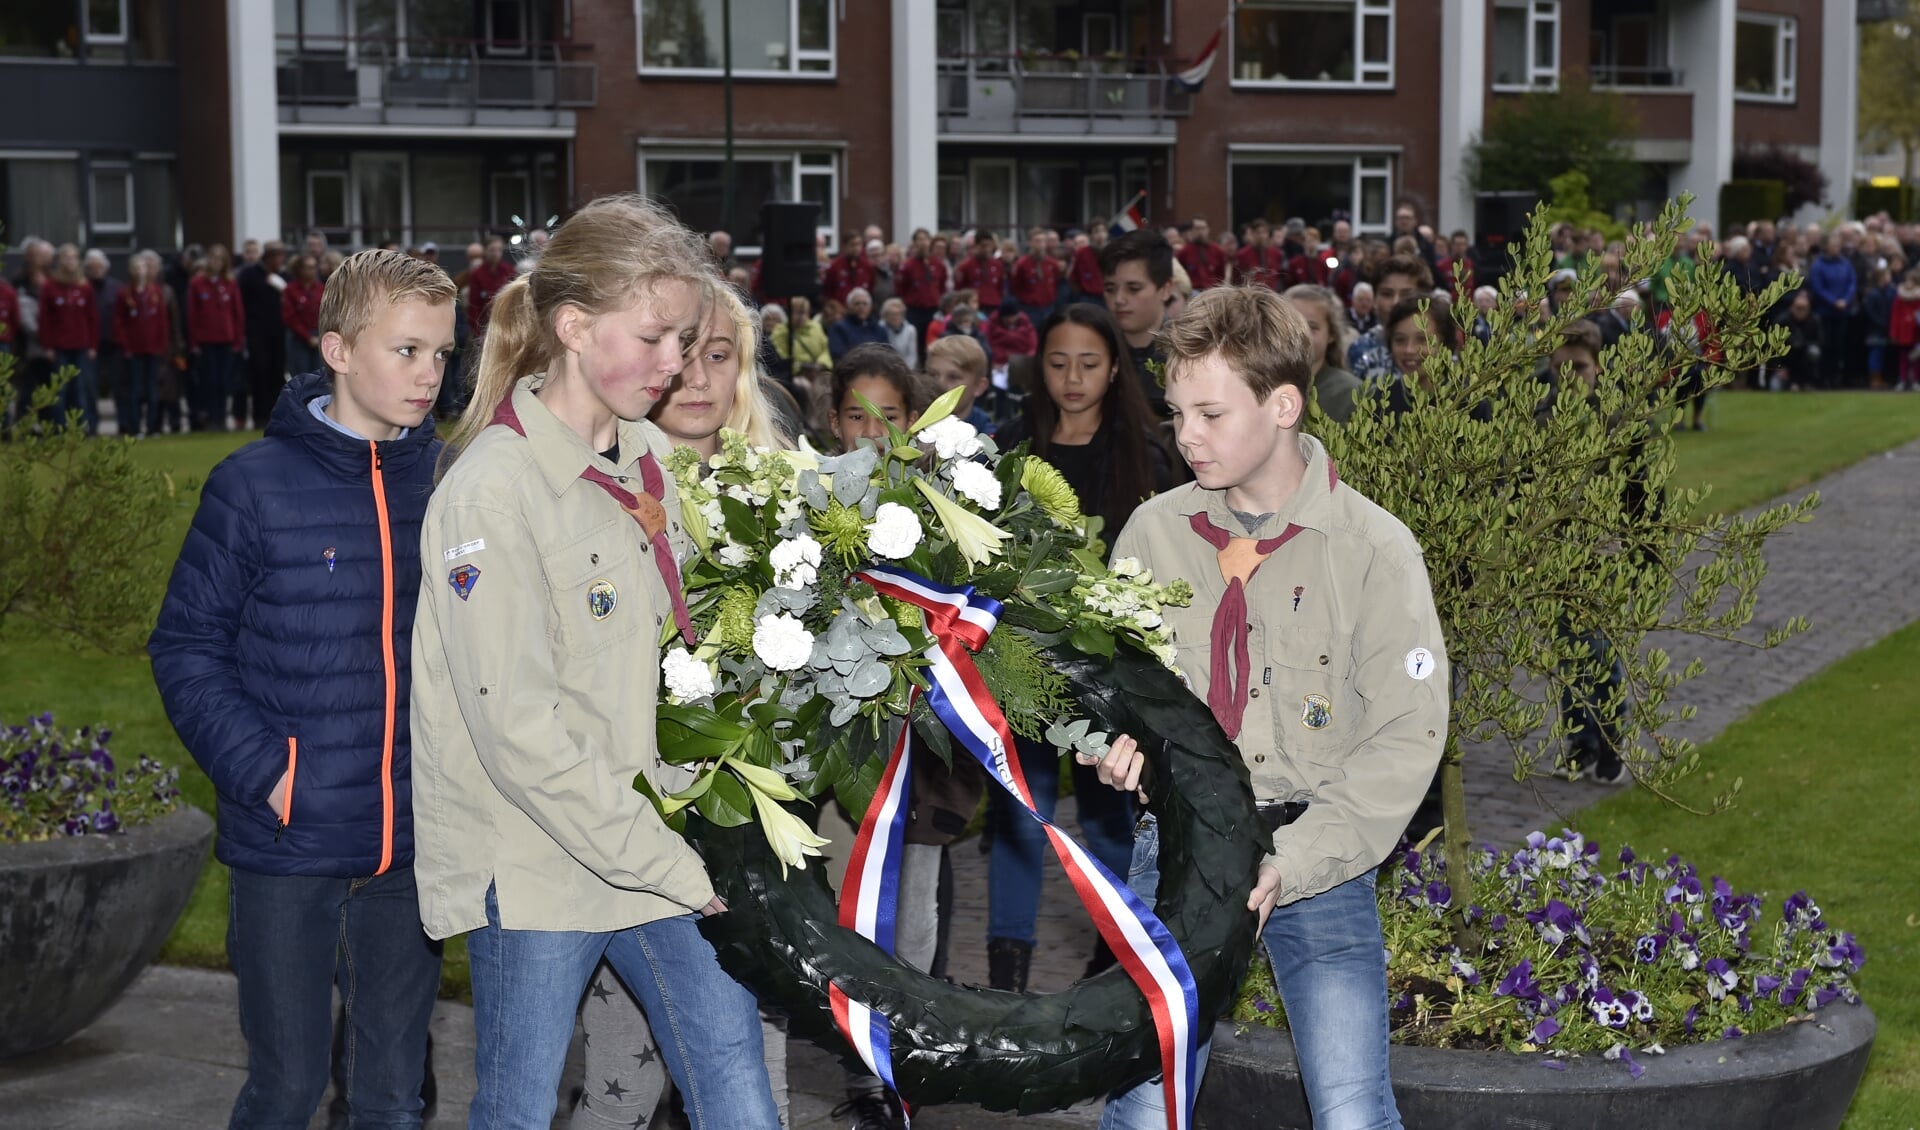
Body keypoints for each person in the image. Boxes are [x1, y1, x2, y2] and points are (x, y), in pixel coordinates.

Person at [411, 196, 780, 1130]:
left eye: (691, 341)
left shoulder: (654, 459)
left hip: (658, 841)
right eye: (656, 337)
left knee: (740, 1092)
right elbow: (518, 735)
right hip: (540, 867)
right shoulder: (491, 493)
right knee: (519, 1109)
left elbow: (695, 649)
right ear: (573, 327)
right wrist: (670, 861)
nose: (678, 366)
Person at [1090, 285, 1447, 1130]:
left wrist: (1299, 859)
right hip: (1176, 851)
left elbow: (1405, 737)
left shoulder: (1373, 550)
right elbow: (1112, 681)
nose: (1187, 437)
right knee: (1146, 1103)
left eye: (1211, 414)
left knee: (1354, 1109)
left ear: (1284, 404)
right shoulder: (1152, 533)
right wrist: (1111, 741)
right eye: (1177, 413)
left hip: (1317, 852)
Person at [149, 249, 456, 1129]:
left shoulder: (447, 485)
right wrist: (267, 772)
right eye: (405, 351)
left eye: (441, 354)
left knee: (393, 1095)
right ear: (337, 348)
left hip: (410, 843)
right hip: (287, 842)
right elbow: (186, 647)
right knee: (284, 1088)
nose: (428, 374)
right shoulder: (251, 487)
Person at [573, 284, 796, 1130]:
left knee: (753, 1069)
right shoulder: (602, 484)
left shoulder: (787, 492)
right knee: (622, 1079)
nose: (697, 379)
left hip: (750, 827)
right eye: (682, 354)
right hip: (632, 827)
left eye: (720, 356)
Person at [986, 304, 1177, 993]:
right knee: (1017, 811)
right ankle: (1006, 978)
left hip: (1104, 666)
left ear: (1116, 367)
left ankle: (1116, 958)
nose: (1072, 377)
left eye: (1089, 363)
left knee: (1109, 812)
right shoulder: (1011, 443)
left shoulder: (1145, 454)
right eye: (1059, 362)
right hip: (1018, 662)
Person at [1546, 321, 1630, 785]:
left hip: (1604, 551)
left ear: (1597, 368)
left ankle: (1612, 741)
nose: (1569, 377)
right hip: (1554, 553)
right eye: (1560, 368)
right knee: (1567, 656)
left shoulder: (1615, 419)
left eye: (1578, 368)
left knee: (1600, 652)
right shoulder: (1541, 416)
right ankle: (1579, 744)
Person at [1099, 230, 1176, 413]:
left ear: (1165, 289)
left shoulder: (1190, 356)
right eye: (1110, 289)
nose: (1119, 299)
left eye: (1133, 289)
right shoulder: (1093, 354)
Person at [41, 244, 100, 432]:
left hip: (81, 346)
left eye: (73, 257)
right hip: (59, 346)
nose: (70, 261)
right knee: (60, 388)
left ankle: (82, 427)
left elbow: (93, 318)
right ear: (59, 261)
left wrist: (92, 345)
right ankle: (59, 427)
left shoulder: (85, 287)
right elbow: (44, 319)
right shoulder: (50, 286)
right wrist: (48, 346)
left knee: (81, 388)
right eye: (66, 257)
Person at [1282, 285, 1363, 424]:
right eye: (1291, 324)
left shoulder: (1350, 392)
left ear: (1331, 334)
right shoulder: (1261, 384)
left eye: (1312, 327)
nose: (1300, 334)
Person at [113, 251, 173, 437]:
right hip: (134, 350)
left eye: (143, 267)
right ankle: (134, 427)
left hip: (153, 349)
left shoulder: (155, 292)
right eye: (137, 267)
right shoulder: (125, 293)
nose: (140, 271)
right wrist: (125, 346)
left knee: (153, 390)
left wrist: (162, 345)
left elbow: (163, 321)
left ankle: (152, 427)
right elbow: (119, 322)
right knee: (135, 390)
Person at [187, 244, 245, 432]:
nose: (216, 263)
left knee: (223, 381)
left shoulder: (230, 282)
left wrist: (237, 340)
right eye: (213, 258)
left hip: (226, 339)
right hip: (206, 340)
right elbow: (192, 314)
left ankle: (221, 417)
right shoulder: (198, 283)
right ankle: (212, 417)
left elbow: (238, 313)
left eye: (220, 259)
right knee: (209, 380)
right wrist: (194, 341)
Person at [1347, 256, 1433, 382]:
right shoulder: (1359, 349)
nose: (1395, 302)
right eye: (1387, 294)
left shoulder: (1437, 345)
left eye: (1406, 294)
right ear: (1375, 299)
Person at [238, 240, 289, 429]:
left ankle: (276, 415)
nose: (280, 260)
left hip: (279, 333)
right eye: (277, 256)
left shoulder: (283, 276)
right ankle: (260, 415)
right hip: (256, 333)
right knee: (259, 373)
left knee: (277, 373)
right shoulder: (250, 275)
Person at [85, 249, 128, 433]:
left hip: (113, 344)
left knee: (119, 386)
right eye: (92, 267)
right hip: (90, 345)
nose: (96, 270)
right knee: (89, 386)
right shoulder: (83, 288)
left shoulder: (117, 288)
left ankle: (125, 423)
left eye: (99, 266)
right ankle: (92, 424)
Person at [925, 333, 998, 433]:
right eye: (933, 375)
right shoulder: (909, 421)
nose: (940, 385)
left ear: (979, 387)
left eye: (953, 377)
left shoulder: (987, 437)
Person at [898, 230, 949, 341]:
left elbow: (941, 286)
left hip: (933, 309)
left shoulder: (938, 264)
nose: (923, 242)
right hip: (915, 310)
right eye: (920, 239)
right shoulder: (908, 265)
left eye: (925, 239)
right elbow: (901, 288)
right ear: (915, 243)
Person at [283, 254, 326, 378]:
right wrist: (307, 337)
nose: (312, 271)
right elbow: (290, 317)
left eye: (314, 267)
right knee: (301, 376)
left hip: (318, 335)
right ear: (300, 269)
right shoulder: (290, 289)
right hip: (298, 338)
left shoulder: (320, 288)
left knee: (319, 376)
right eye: (308, 267)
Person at [465, 236, 516, 339]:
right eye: (492, 250)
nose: (495, 253)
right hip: (484, 326)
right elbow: (474, 306)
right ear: (485, 251)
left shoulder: (509, 271)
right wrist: (478, 334)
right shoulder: (477, 274)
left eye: (499, 250)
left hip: (506, 324)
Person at [1013, 228, 1061, 326]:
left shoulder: (1052, 263)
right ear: (1030, 243)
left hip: (1048, 307)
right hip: (1029, 308)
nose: (1041, 244)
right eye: (1037, 241)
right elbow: (1015, 287)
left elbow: (1056, 283)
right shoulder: (1022, 264)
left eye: (1043, 241)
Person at [828, 286, 889, 362]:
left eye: (865, 304)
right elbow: (837, 354)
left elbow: (887, 354)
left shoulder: (879, 329)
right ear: (849, 307)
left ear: (870, 307)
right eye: (857, 304)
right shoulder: (839, 328)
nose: (861, 307)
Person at [954, 230, 1008, 310]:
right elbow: (959, 288)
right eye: (984, 246)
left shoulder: (998, 265)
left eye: (989, 246)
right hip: (974, 307)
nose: (987, 249)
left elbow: (1000, 287)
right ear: (976, 246)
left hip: (994, 305)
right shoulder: (965, 266)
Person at [984, 297, 1038, 369]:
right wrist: (992, 362)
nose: (1010, 320)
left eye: (1013, 317)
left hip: (1021, 362)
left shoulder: (1025, 322)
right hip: (999, 364)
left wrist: (1027, 360)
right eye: (1007, 318)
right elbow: (986, 344)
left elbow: (1033, 346)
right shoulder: (992, 323)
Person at [1174, 216, 1226, 291]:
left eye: (1203, 228)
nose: (1200, 231)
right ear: (1192, 230)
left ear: (1208, 229)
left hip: (1213, 292)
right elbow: (1179, 275)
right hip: (1193, 292)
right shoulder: (1184, 252)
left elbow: (1222, 275)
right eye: (1197, 228)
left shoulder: (1218, 251)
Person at [1890, 268, 1920, 391]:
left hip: (1916, 333)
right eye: (1907, 281)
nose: (1908, 284)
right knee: (1903, 357)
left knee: (1916, 358)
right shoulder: (1899, 298)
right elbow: (1895, 317)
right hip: (1903, 333)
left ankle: (1915, 380)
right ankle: (1902, 379)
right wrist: (1894, 334)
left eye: (1911, 281)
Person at [879, 296, 918, 369]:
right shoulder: (880, 327)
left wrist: (906, 371)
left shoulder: (910, 330)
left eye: (897, 314)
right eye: (892, 314)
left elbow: (912, 355)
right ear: (885, 315)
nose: (895, 317)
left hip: (904, 367)